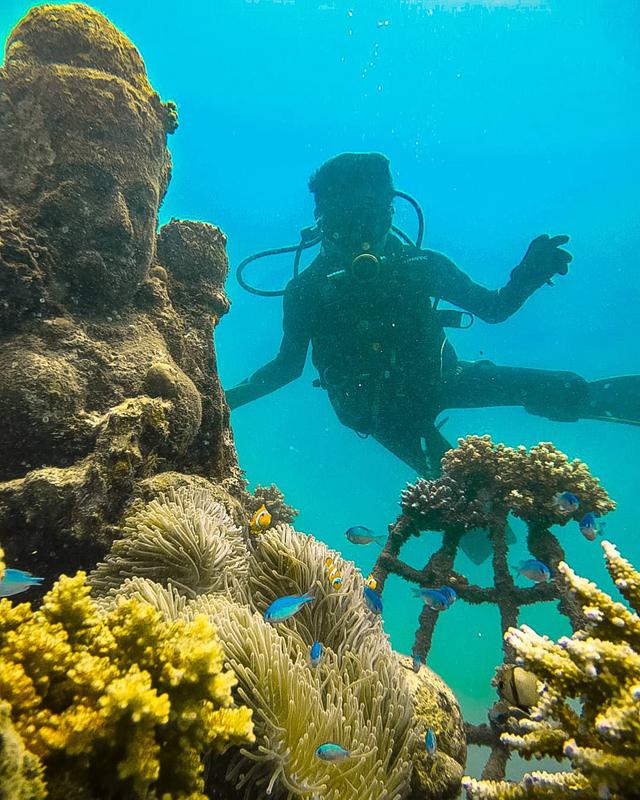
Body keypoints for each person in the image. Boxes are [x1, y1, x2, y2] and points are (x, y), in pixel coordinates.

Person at [226, 152, 640, 477]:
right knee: (467, 499)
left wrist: (526, 276)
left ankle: (597, 401)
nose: (363, 234)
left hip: (443, 379)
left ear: (391, 213)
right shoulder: (309, 290)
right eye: (348, 220)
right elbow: (285, 368)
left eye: (374, 216)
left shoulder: (420, 266)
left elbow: (493, 308)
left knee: (566, 387)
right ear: (323, 222)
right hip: (380, 413)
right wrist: (214, 404)